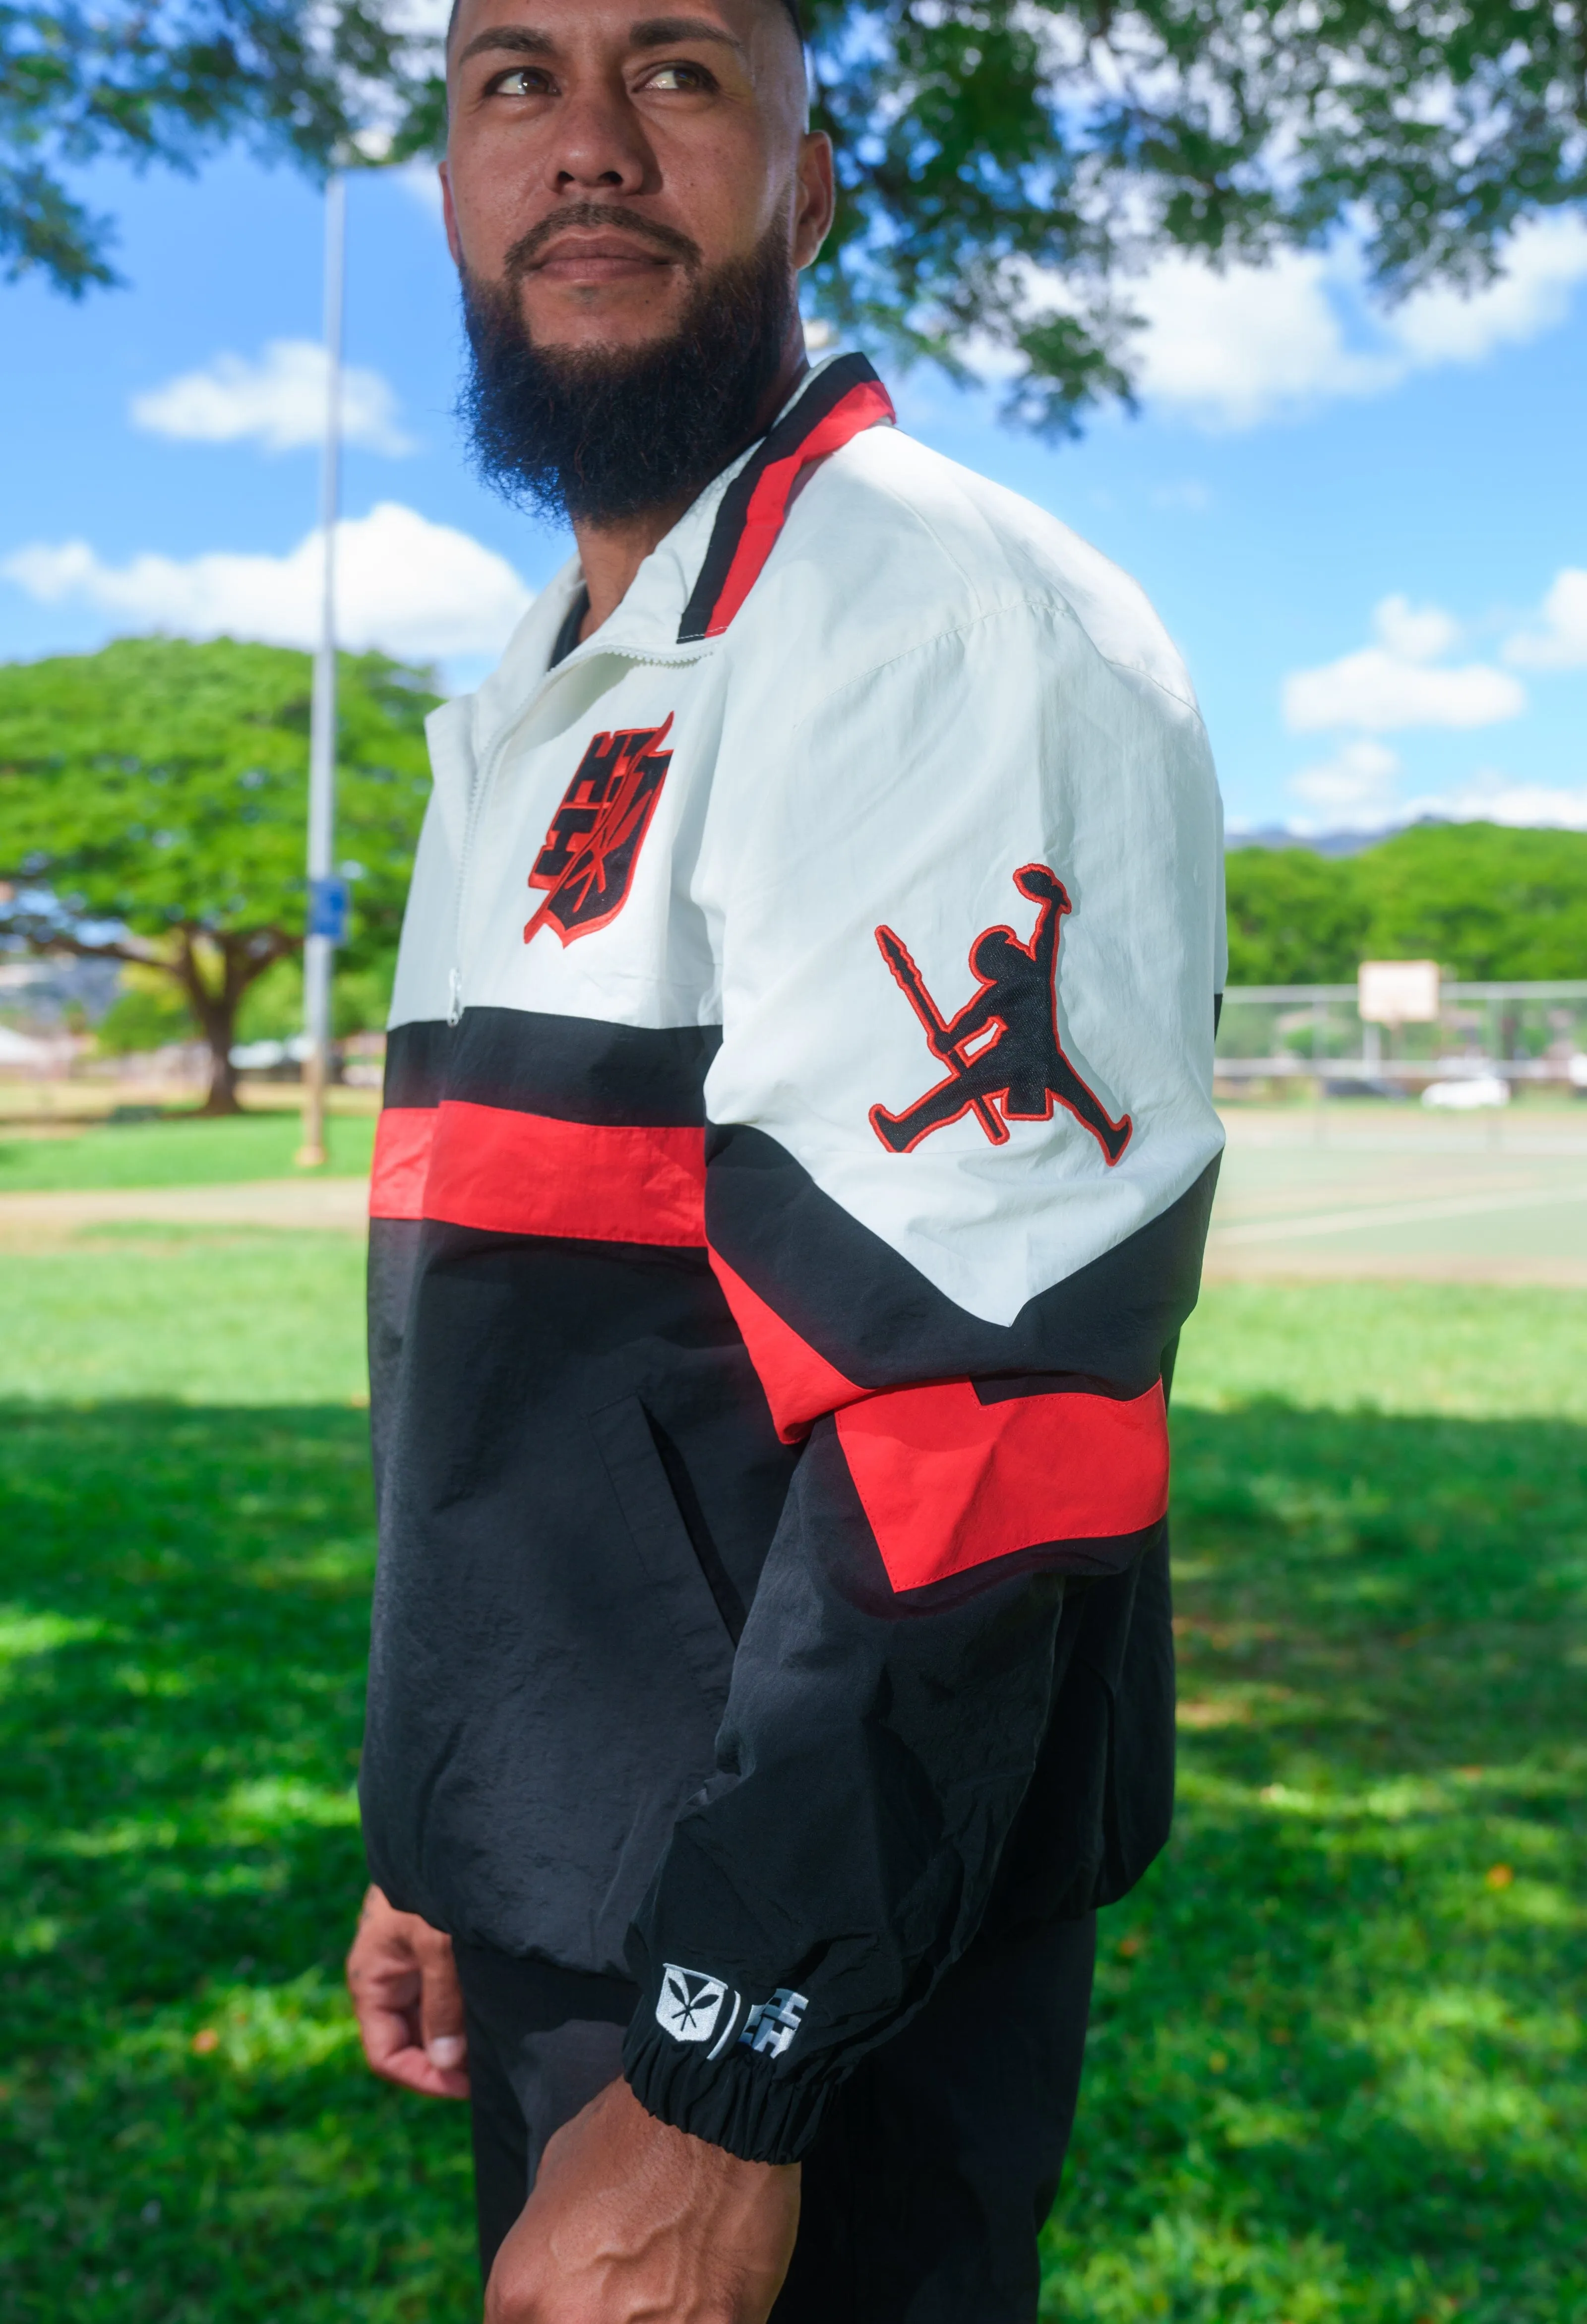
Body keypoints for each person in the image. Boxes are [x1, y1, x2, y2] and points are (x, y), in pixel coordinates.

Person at [343, 0, 1226, 2317]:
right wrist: (441, 1819)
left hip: (812, 1958)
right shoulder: (554, 671)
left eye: (680, 73)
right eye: (513, 83)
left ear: (809, 181)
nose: (589, 147)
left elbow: (986, 1435)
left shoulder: (935, 619)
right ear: (451, 188)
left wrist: (732, 2082)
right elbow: (538, 1384)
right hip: (569, 1889)